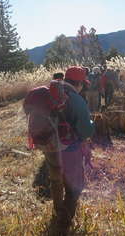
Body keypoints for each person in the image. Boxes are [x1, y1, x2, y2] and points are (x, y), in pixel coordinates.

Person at [45, 66, 95, 235]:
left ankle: (58, 210)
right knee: (74, 187)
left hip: (49, 146)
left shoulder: (51, 93)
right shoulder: (76, 99)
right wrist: (92, 123)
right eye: (83, 84)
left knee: (56, 180)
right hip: (69, 150)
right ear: (79, 83)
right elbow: (86, 131)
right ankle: (63, 224)